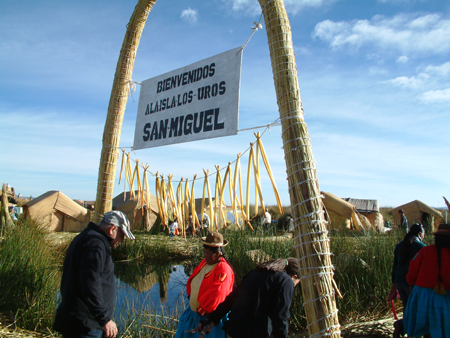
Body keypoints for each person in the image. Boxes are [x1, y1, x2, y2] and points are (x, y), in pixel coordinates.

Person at [53, 210, 135, 338]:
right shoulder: (95, 244)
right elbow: (90, 284)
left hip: (84, 323)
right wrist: (104, 319)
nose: (122, 240)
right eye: (122, 235)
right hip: (86, 326)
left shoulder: (86, 238)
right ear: (113, 228)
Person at [198, 258, 301, 338]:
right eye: (296, 284)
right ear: (295, 277)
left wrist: (212, 319)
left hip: (233, 330)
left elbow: (232, 298)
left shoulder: (256, 272)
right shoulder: (286, 281)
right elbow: (280, 317)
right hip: (252, 333)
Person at [175, 232, 234, 338]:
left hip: (208, 319)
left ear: (218, 253)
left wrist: (202, 309)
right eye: (204, 252)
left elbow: (218, 293)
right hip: (193, 314)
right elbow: (193, 279)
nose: (205, 255)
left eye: (208, 253)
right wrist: (190, 296)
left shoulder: (224, 270)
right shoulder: (204, 263)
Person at [403, 223, 450, 338]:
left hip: (422, 295)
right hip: (444, 298)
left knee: (425, 327)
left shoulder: (425, 251)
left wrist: (411, 283)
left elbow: (413, 269)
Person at [392, 223, 426, 307]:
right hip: (411, 284)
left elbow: (395, 264)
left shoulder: (400, 245)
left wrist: (394, 281)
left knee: (406, 306)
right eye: (423, 234)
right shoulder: (422, 247)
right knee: (414, 308)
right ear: (419, 234)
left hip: (399, 281)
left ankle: (406, 320)